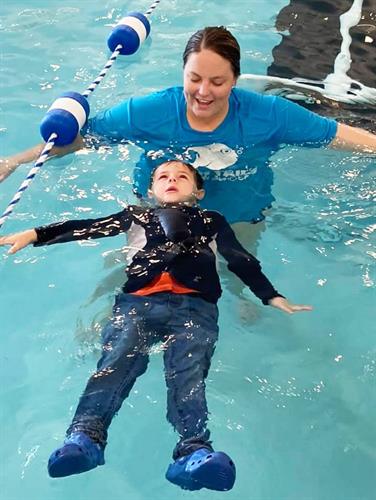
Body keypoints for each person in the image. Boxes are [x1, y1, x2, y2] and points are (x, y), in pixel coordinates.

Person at [0, 160, 312, 491]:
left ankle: (193, 451)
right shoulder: (135, 215)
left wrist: (269, 295)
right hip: (137, 303)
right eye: (163, 176)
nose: (172, 180)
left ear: (199, 191)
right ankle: (85, 438)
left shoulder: (212, 220)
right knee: (115, 363)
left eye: (181, 176)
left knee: (189, 376)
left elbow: (239, 259)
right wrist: (35, 234)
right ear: (151, 190)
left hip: (196, 307)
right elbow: (88, 227)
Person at [1, 26, 375, 226]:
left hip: (241, 208)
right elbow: (85, 138)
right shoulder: (150, 111)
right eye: (194, 78)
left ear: (236, 78)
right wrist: (14, 161)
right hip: (156, 203)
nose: (203, 92)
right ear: (182, 72)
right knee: (132, 281)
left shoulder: (269, 114)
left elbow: (335, 135)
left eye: (218, 81)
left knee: (241, 285)